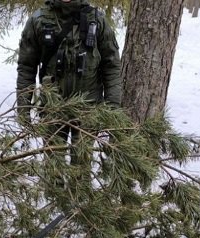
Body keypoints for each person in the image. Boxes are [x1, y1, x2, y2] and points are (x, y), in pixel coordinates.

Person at [16, 0, 122, 137]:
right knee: (53, 157)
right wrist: (23, 109)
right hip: (52, 109)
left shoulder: (97, 21)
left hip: (88, 109)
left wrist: (112, 108)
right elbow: (26, 68)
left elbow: (111, 67)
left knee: (82, 158)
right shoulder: (38, 20)